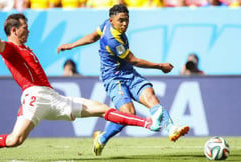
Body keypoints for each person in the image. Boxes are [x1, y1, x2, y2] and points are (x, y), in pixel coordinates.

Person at [0, 13, 164, 160]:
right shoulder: (9, 48)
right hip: (35, 98)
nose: (28, 31)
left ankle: (148, 124)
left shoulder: (25, 48)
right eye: (25, 28)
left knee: (102, 109)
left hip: (55, 98)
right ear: (14, 30)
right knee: (14, 140)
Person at [57, 4, 190, 156]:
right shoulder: (112, 39)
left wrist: (72, 45)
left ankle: (172, 128)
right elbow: (133, 60)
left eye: (127, 20)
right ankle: (102, 138)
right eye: (121, 20)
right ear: (112, 20)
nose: (125, 24)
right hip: (113, 78)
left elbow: (93, 36)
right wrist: (160, 66)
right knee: (128, 113)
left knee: (151, 96)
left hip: (128, 73)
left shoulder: (106, 25)